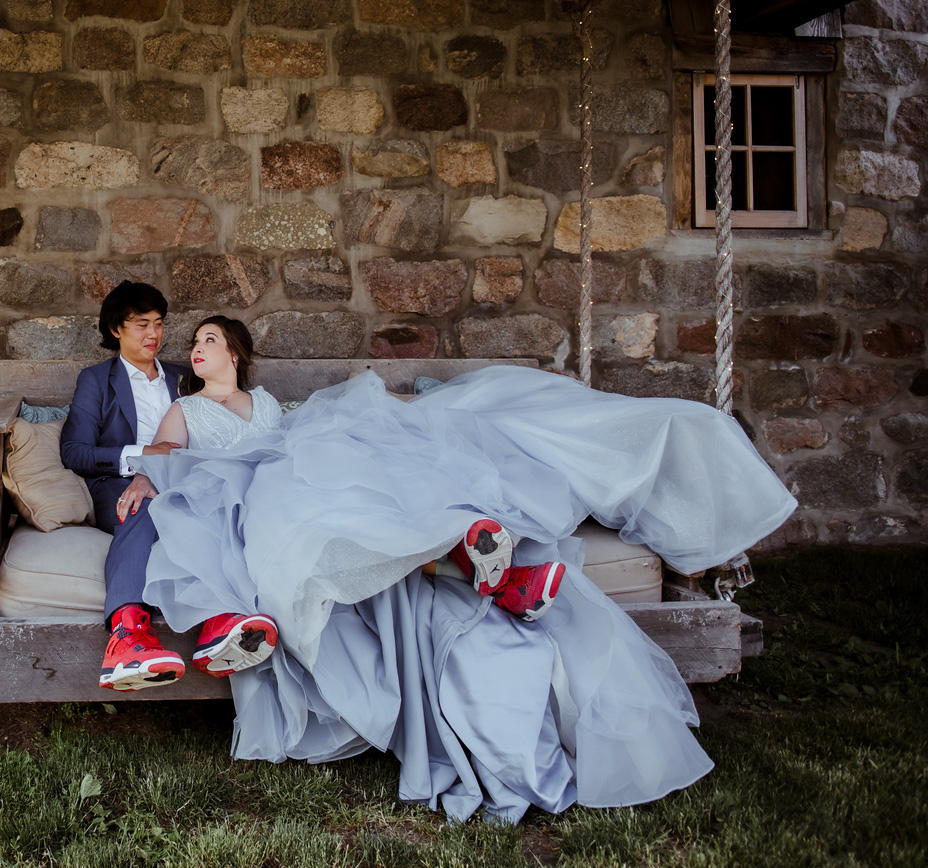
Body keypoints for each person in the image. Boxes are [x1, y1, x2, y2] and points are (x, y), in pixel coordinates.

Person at [120, 316, 797, 823]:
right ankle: (477, 567)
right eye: (193, 343)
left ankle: (486, 554)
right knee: (317, 507)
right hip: (245, 484)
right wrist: (150, 474)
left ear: (234, 352)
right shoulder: (187, 408)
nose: (194, 348)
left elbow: (288, 436)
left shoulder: (270, 407)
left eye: (207, 338)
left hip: (292, 458)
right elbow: (164, 457)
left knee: (375, 475)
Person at [58, 283, 279, 692]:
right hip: (121, 483)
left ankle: (219, 623)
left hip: (193, 481)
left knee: (206, 511)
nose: (153, 334)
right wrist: (144, 455)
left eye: (159, 324)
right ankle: (126, 635)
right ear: (115, 329)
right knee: (145, 505)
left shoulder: (184, 376)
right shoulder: (96, 381)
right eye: (142, 324)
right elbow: (75, 451)